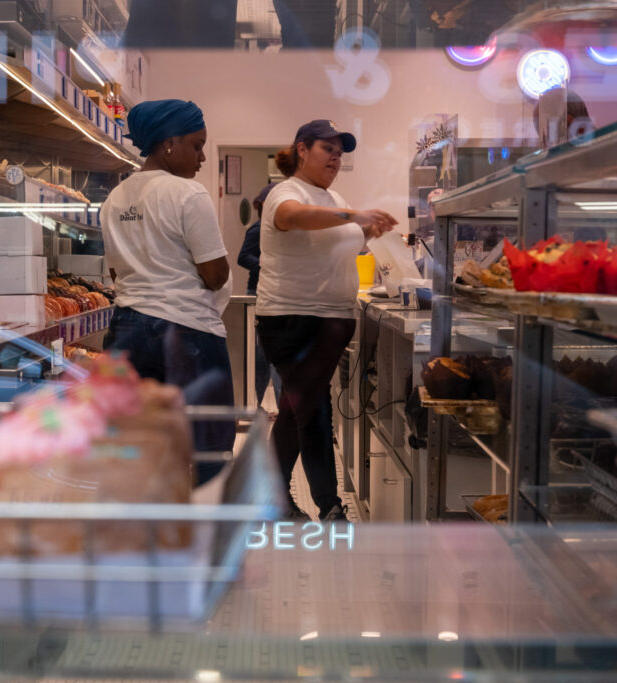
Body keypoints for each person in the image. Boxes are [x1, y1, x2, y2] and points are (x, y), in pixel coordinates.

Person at [256, 120, 397, 521]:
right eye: (327, 149)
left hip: (330, 321)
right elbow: (294, 217)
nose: (336, 157)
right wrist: (355, 214)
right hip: (291, 319)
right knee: (314, 408)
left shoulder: (332, 196)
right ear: (302, 150)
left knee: (295, 408)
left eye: (340, 152)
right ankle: (329, 505)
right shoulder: (286, 193)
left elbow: (334, 245)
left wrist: (367, 232)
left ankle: (272, 496)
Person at [101, 99, 234, 484]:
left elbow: (116, 271)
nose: (202, 157)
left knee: (138, 446)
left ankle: (146, 520)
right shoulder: (187, 194)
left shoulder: (114, 199)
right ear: (169, 144)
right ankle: (206, 519)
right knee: (209, 445)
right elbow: (215, 274)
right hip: (186, 331)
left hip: (127, 331)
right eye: (197, 145)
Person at [237, 183, 282, 410]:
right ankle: (256, 406)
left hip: (275, 295)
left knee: (268, 356)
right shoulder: (258, 229)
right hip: (258, 293)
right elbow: (243, 257)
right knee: (264, 356)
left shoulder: (277, 230)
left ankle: (262, 408)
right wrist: (267, 266)